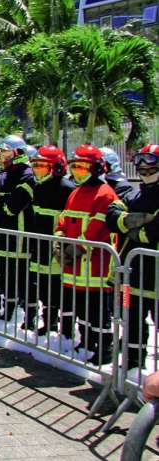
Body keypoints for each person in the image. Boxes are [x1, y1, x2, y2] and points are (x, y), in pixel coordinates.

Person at [55, 144, 117, 365]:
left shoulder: (105, 195)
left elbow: (96, 231)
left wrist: (72, 249)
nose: (77, 172)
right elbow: (62, 220)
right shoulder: (75, 192)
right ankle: (87, 343)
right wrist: (59, 241)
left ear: (97, 168)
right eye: (75, 167)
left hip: (95, 267)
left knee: (99, 313)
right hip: (74, 267)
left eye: (82, 167)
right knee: (81, 310)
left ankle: (106, 348)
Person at [107, 144, 159, 370]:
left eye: (150, 162)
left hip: (156, 276)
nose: (143, 168)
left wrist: (129, 226)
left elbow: (152, 234)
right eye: (140, 162)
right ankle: (132, 366)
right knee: (132, 321)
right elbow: (112, 215)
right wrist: (132, 222)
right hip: (132, 277)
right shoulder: (135, 193)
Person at [0, 135, 35, 323]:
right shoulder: (3, 175)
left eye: (5, 152)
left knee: (21, 281)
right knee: (4, 280)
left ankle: (24, 318)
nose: (1, 156)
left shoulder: (28, 175)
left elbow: (12, 207)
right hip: (2, 237)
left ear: (17, 153)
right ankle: (7, 314)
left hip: (19, 240)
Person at [26, 145, 74, 334]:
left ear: (56, 167)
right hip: (40, 249)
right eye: (35, 166)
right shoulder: (38, 188)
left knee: (62, 293)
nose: (37, 170)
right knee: (45, 291)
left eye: (42, 166)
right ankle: (49, 324)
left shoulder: (66, 189)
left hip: (58, 251)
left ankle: (67, 331)